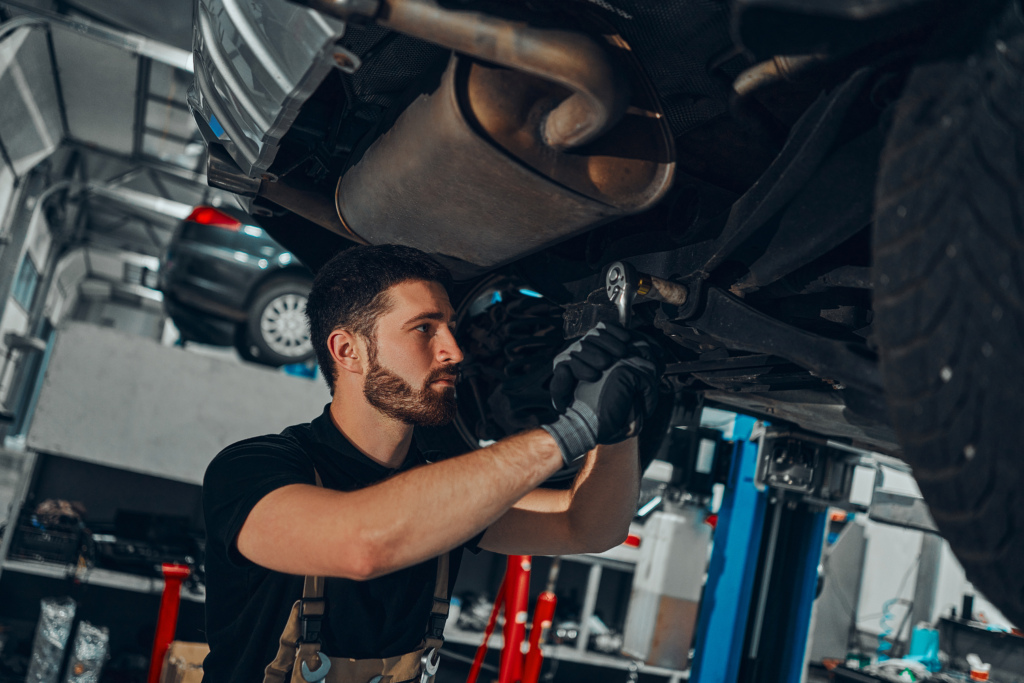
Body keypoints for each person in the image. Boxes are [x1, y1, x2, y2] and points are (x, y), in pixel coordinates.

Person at [201, 245, 662, 683]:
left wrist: (617, 428)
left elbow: (588, 527)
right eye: (424, 328)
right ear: (348, 351)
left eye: (450, 327)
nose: (455, 352)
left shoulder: (445, 491)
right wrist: (571, 431)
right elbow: (361, 545)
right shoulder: (251, 470)